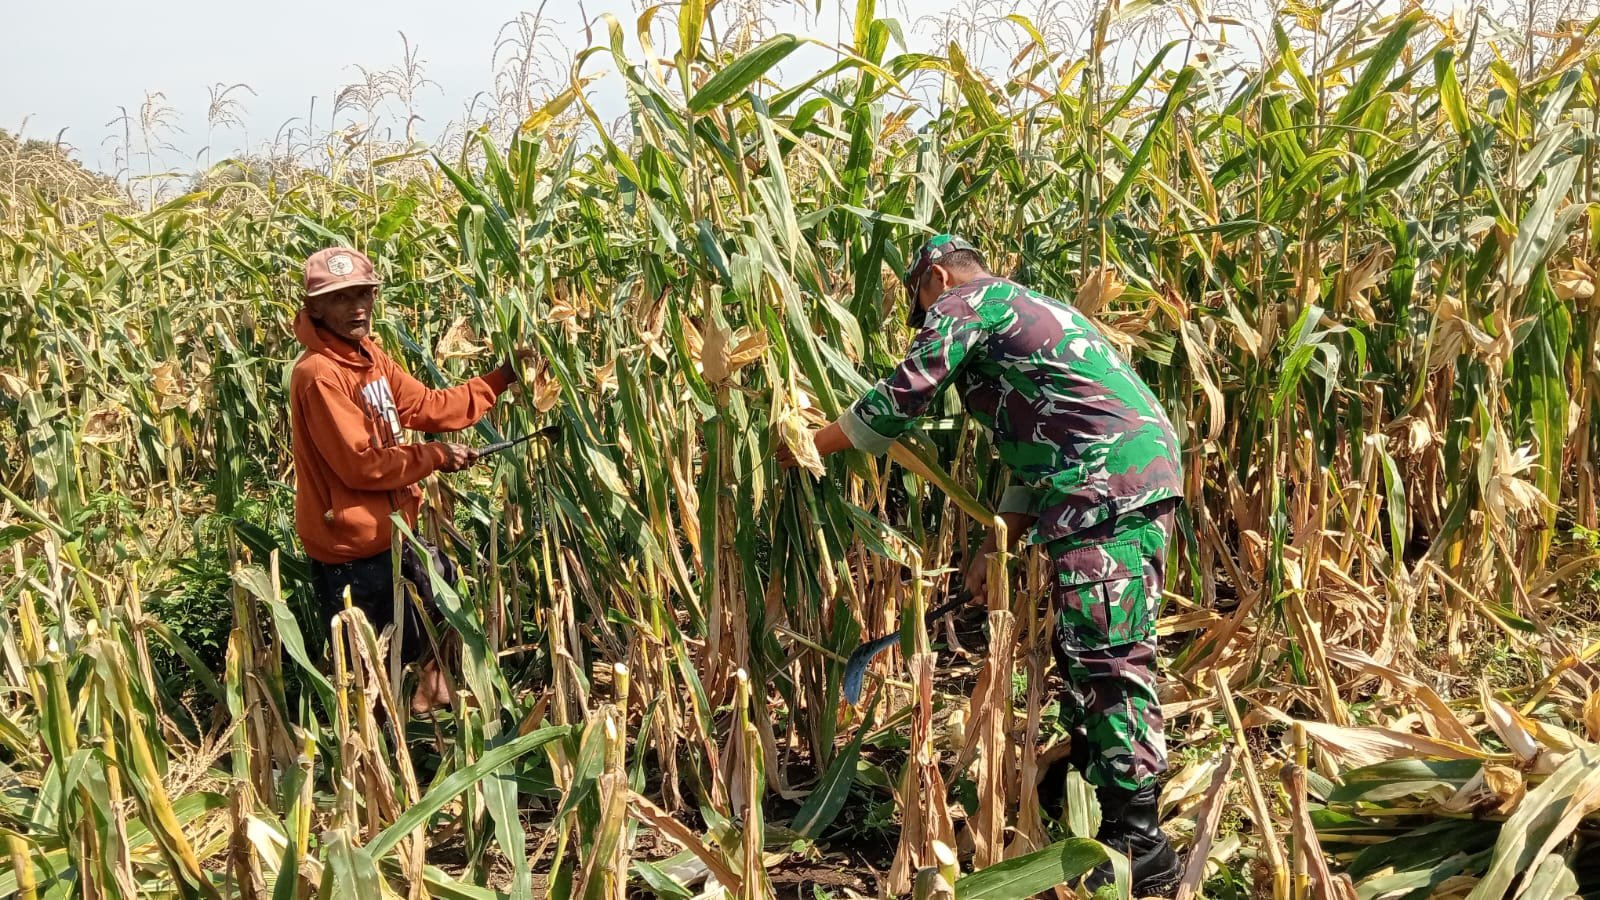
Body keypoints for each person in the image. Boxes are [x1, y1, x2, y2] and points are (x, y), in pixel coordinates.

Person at [777, 235, 1185, 895]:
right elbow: (1035, 443)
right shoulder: (1022, 309)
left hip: (1107, 480)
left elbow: (901, 397)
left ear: (934, 277)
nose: (925, 319)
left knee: (1109, 650)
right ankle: (1082, 789)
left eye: (920, 306)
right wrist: (993, 546)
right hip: (1116, 472)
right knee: (1084, 642)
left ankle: (1142, 845)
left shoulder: (968, 301)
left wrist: (808, 444)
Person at [289, 246, 522, 715]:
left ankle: (429, 700)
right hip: (353, 549)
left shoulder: (369, 357)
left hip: (395, 532)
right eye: (341, 298)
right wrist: (434, 455)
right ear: (314, 307)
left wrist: (502, 378)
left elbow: (428, 407)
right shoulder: (319, 375)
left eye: (364, 294)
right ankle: (380, 759)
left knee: (444, 591)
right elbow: (361, 465)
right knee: (371, 671)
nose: (356, 307)